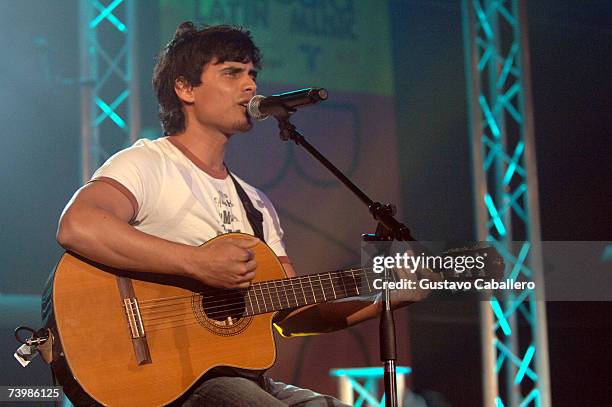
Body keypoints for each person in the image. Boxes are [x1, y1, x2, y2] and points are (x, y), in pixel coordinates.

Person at [50, 22, 415, 406]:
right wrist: (197, 263)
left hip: (244, 380)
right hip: (171, 379)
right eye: (232, 73)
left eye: (252, 74)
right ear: (185, 88)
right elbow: (78, 225)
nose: (251, 86)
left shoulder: (256, 205)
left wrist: (383, 300)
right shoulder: (147, 163)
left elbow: (293, 314)